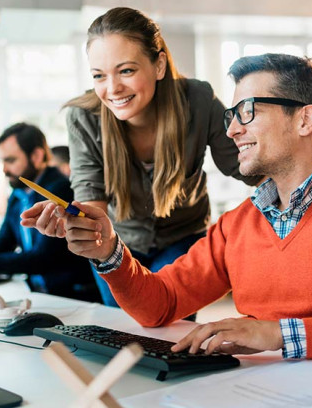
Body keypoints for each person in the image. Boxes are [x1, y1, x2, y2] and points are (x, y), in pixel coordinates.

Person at [23, 53, 312, 364]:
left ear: (305, 120)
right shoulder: (238, 225)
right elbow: (161, 304)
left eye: (247, 111)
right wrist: (109, 252)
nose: (231, 129)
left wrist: (279, 333)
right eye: (232, 113)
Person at [60, 7, 260, 308]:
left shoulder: (197, 100)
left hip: (182, 237)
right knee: (124, 332)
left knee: (170, 332)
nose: (112, 88)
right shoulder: (83, 117)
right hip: (117, 242)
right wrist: (78, 224)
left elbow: (246, 166)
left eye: (126, 70)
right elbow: (90, 195)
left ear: (159, 66)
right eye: (99, 75)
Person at [0, 122, 98, 302]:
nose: (4, 169)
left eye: (10, 160)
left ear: (36, 156)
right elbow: (3, 243)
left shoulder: (60, 190)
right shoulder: (17, 195)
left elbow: (43, 258)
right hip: (40, 294)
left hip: (72, 297)